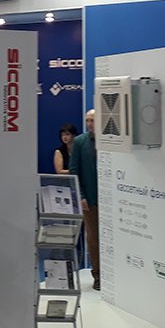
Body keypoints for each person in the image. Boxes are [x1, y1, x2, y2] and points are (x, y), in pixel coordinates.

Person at [70, 109, 101, 290]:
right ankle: (98, 275)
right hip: (90, 199)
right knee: (93, 238)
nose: (89, 124)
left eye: (92, 120)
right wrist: (80, 195)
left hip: (110, 199)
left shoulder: (109, 140)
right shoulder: (80, 142)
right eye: (87, 120)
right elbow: (74, 170)